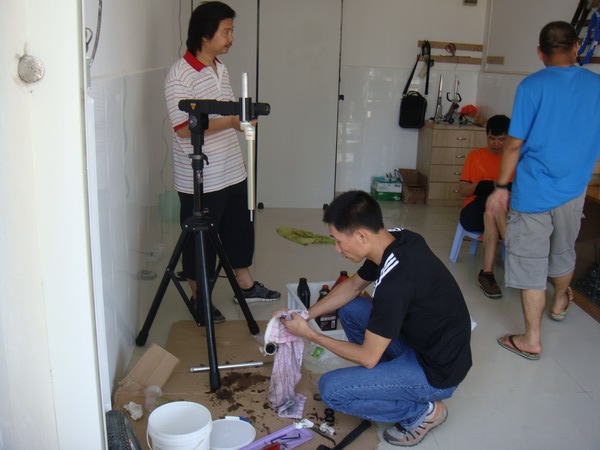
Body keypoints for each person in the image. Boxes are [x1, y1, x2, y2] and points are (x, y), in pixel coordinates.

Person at [282, 191, 472, 447]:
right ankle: (386, 381)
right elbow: (352, 287)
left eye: (338, 241)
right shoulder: (397, 239)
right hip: (424, 345)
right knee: (350, 308)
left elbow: (367, 357)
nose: (337, 249)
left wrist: (310, 334)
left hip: (437, 374)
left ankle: (421, 412)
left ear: (361, 236)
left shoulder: (395, 284)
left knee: (331, 390)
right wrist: (306, 315)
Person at [487, 21, 600, 360]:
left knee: (530, 263)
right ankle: (560, 299)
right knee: (563, 251)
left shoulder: (532, 86)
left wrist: (501, 187)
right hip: (574, 190)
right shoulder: (596, 85)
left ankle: (531, 339)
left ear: (540, 53)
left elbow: (513, 144)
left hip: (533, 192)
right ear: (576, 47)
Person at [164, 1, 280, 324]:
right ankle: (199, 297)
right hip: (202, 176)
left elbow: (226, 112)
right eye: (226, 32)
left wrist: (240, 119)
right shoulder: (179, 76)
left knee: (239, 229)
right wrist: (230, 121)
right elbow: (183, 128)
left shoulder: (220, 68)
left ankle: (245, 285)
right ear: (205, 35)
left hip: (232, 169)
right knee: (200, 240)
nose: (231, 38)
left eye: (231, 31)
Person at [458, 115, 513, 298]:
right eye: (492, 138)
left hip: (505, 214)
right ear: (486, 136)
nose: (496, 143)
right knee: (491, 201)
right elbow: (463, 190)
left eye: (502, 139)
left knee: (493, 210)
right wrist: (485, 185)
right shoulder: (475, 156)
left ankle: (487, 274)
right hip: (473, 212)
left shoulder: (514, 160)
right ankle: (515, 253)